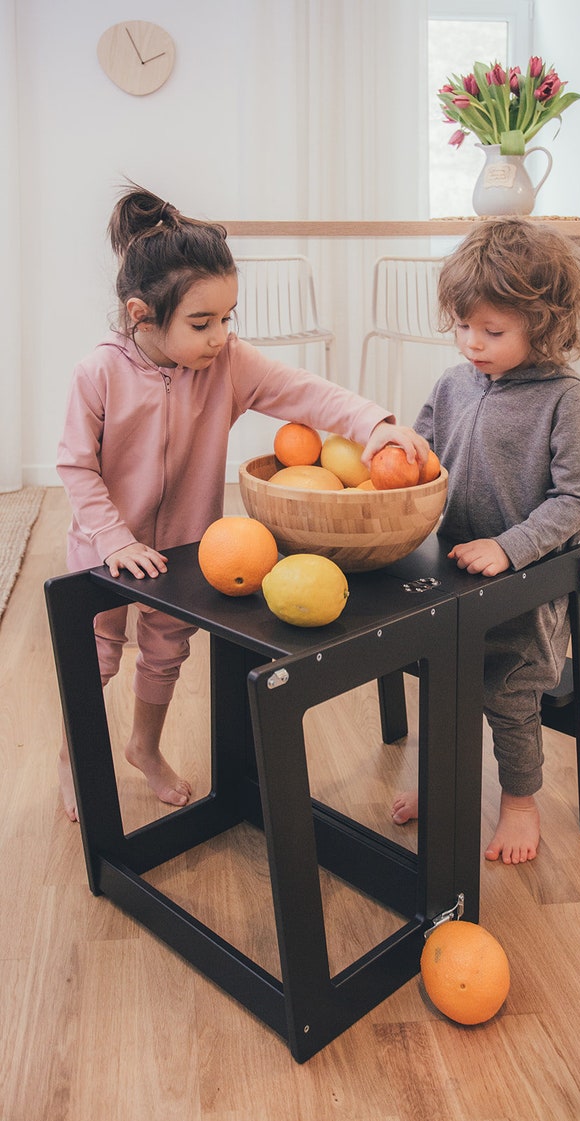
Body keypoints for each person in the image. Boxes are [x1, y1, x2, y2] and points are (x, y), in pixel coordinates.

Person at [57, 183, 428, 822]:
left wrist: (374, 425)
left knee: (167, 649)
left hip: (184, 548)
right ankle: (75, 760)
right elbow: (75, 467)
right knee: (96, 654)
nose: (219, 335)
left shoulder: (227, 363)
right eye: (202, 323)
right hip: (104, 547)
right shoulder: (99, 372)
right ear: (142, 314)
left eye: (228, 318)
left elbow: (306, 392)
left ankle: (144, 748)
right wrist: (113, 538)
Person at [391, 217, 580, 865]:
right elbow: (422, 453)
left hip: (525, 586)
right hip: (453, 575)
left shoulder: (565, 399)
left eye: (492, 331)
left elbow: (575, 500)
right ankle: (439, 775)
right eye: (462, 327)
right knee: (441, 676)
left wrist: (510, 547)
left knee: (509, 690)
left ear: (542, 324)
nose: (472, 344)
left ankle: (519, 799)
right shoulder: (453, 384)